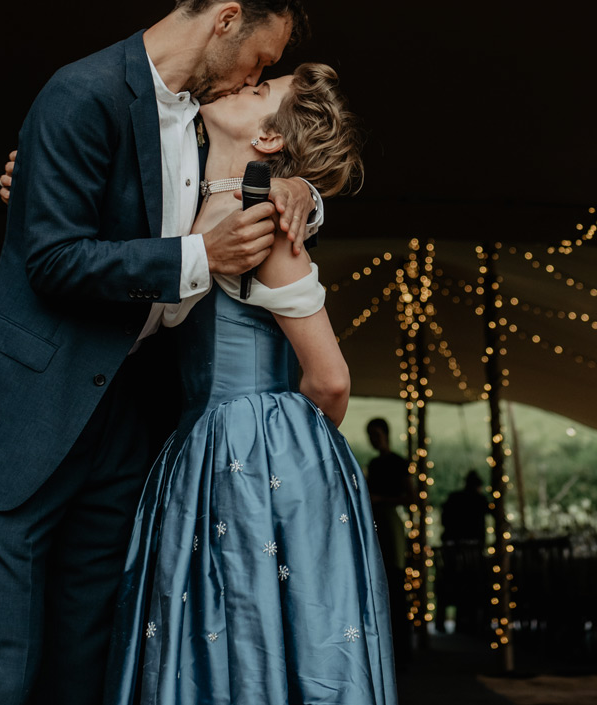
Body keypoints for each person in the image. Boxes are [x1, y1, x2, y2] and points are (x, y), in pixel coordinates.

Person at [0, 0, 325, 705]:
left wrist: (305, 188)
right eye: (261, 58)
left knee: (88, 664)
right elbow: (52, 259)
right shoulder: (82, 94)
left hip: (119, 429)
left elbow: (266, 157)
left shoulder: (205, 115)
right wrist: (198, 255)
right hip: (22, 420)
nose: (255, 77)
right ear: (226, 20)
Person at [106, 61, 395, 704]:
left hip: (249, 449)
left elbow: (330, 380)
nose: (240, 84)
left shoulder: (264, 217)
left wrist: (286, 458)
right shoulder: (189, 201)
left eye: (260, 90)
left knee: (247, 622)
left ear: (268, 140)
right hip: (194, 445)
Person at [365, 417, 413, 662]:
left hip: (389, 522)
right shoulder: (373, 464)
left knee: (394, 579)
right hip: (375, 522)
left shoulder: (397, 462)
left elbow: (412, 497)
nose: (373, 440)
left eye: (376, 435)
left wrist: (382, 500)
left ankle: (402, 649)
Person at [437, 470, 490, 634]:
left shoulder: (454, 498)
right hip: (467, 558)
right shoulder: (479, 500)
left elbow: (444, 519)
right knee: (476, 579)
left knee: (458, 579)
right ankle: (472, 622)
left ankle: (461, 620)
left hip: (452, 555)